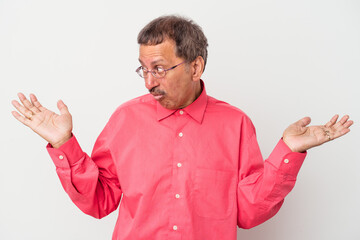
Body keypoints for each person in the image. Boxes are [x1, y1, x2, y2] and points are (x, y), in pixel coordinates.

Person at [11, 15, 353, 240]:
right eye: (143, 69)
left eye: (159, 68)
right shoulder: (125, 120)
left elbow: (247, 213)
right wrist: (65, 144)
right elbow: (99, 201)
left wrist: (287, 153)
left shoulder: (235, 124)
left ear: (195, 66)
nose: (148, 82)